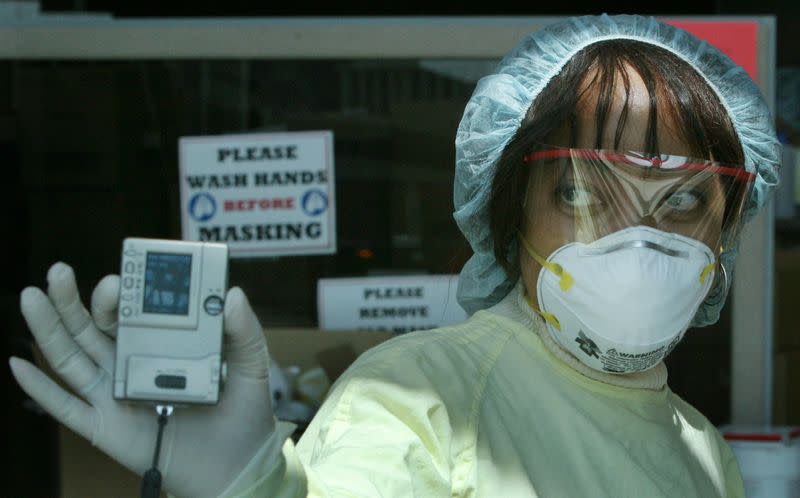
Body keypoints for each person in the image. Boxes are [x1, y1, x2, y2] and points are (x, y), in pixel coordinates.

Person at [9, 13, 780, 498]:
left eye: (683, 201)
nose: (637, 245)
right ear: (510, 217)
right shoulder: (422, 397)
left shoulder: (698, 447)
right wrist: (253, 487)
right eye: (582, 194)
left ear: (727, 230)